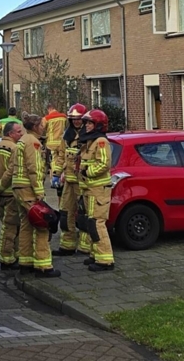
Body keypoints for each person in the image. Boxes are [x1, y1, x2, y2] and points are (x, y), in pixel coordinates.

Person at [7, 116, 60, 278]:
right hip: (28, 189)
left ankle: (26, 262)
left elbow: (12, 168)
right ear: (35, 126)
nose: (43, 128)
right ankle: (44, 266)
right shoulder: (33, 142)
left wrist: (0, 186)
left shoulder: (22, 140)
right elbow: (34, 168)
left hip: (18, 188)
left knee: (26, 225)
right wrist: (39, 193)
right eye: (41, 125)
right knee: (42, 224)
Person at [78, 109, 114, 272]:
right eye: (86, 123)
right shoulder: (89, 141)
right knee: (90, 222)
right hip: (89, 189)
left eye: (90, 123)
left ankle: (105, 260)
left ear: (99, 125)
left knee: (97, 223)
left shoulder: (101, 141)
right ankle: (95, 254)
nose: (87, 126)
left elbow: (104, 163)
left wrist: (87, 172)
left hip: (98, 189)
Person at [52, 103, 86, 257]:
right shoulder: (67, 136)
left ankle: (86, 247)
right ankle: (68, 245)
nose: (76, 122)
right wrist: (56, 174)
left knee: (84, 214)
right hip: (68, 182)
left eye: (79, 119)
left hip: (82, 182)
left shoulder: (88, 135)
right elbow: (60, 155)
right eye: (74, 119)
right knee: (65, 213)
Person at [0, 122, 21, 269]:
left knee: (5, 224)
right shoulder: (15, 148)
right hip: (10, 194)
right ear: (10, 134)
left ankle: (14, 253)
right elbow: (12, 172)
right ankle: (7, 258)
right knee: (11, 227)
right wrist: (0, 186)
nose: (21, 134)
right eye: (18, 132)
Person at [42, 103, 67, 175]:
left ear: (49, 109)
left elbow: (42, 128)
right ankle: (62, 176)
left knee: (53, 161)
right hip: (62, 142)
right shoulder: (63, 117)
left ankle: (54, 176)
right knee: (62, 160)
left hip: (51, 143)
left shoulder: (46, 118)